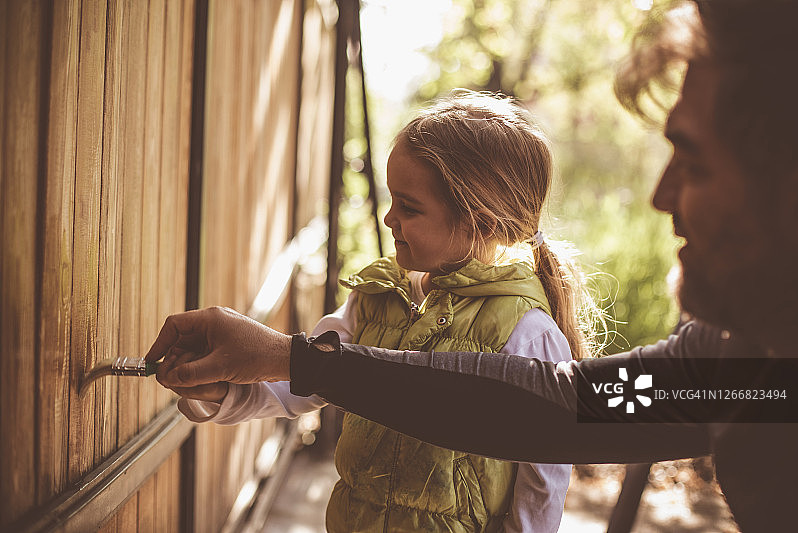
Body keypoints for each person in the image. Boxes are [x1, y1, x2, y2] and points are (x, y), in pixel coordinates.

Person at [147, 2, 798, 531]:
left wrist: (293, 359)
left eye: (696, 162)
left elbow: (540, 456)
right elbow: (554, 410)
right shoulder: (729, 371)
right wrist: (284, 362)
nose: (661, 195)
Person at [160, 93, 603, 532]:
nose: (390, 219)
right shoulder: (376, 298)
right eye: (392, 199)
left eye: (409, 207)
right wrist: (219, 391)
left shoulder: (527, 333)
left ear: (479, 221)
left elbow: (542, 486)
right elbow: (297, 387)